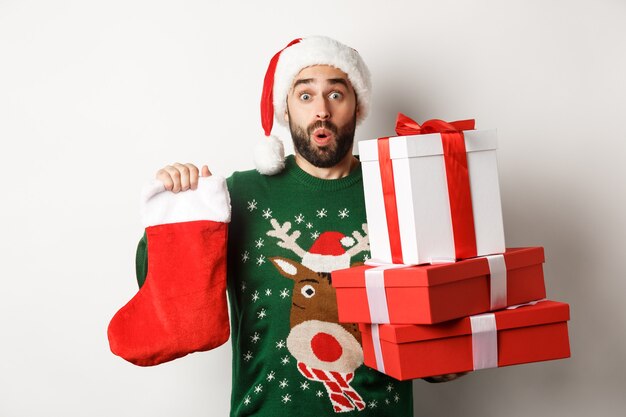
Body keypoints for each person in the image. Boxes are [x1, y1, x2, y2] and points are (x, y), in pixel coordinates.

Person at [135, 36, 457, 417]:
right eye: (305, 96)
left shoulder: (401, 192)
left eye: (336, 95)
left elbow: (442, 356)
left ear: (358, 106)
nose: (321, 110)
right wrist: (179, 211)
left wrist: (455, 351)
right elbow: (165, 296)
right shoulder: (237, 194)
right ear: (286, 110)